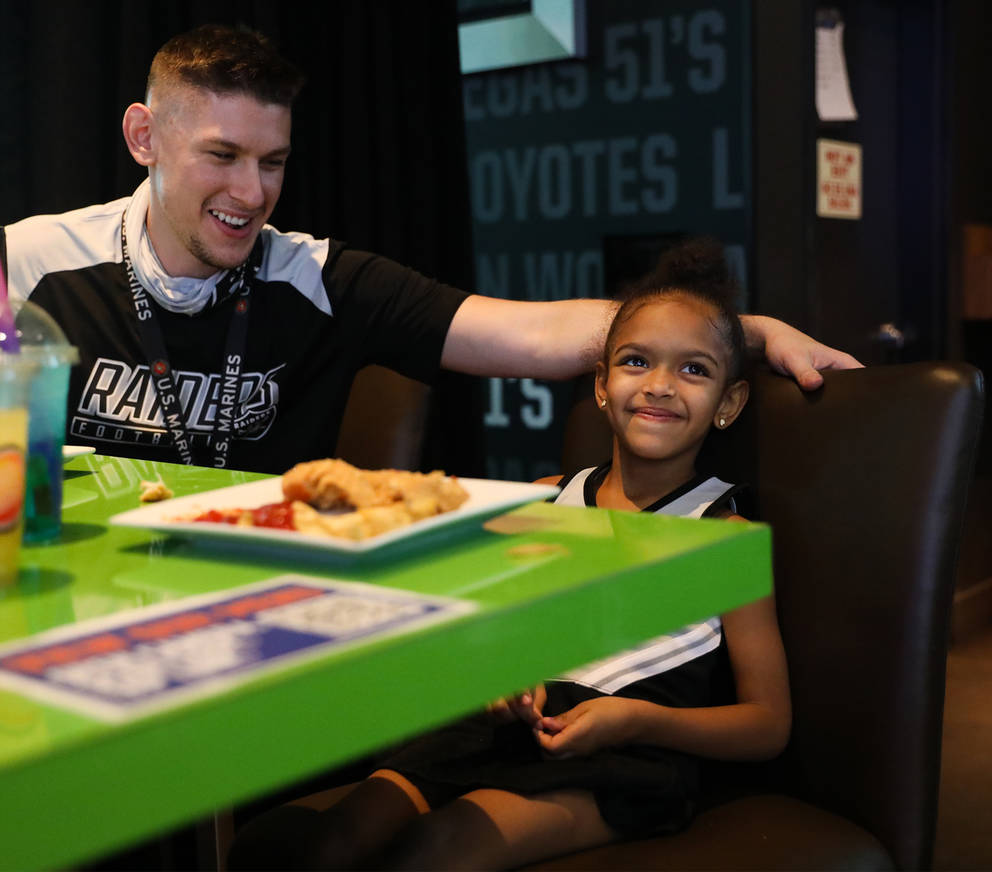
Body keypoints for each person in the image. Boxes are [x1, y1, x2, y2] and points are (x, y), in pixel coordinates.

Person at [0, 24, 859, 475]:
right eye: (223, 157)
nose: (252, 192)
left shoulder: (313, 276)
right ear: (143, 138)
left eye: (273, 161)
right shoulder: (24, 264)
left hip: (261, 623)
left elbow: (535, 335)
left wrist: (742, 330)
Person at [225, 238, 791, 870]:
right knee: (335, 842)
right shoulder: (545, 501)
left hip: (630, 757)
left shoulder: (726, 535)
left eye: (694, 370)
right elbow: (491, 632)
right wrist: (501, 682)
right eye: (636, 361)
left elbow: (767, 723)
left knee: (435, 852)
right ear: (601, 386)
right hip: (499, 732)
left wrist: (635, 720)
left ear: (729, 403)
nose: (659, 386)